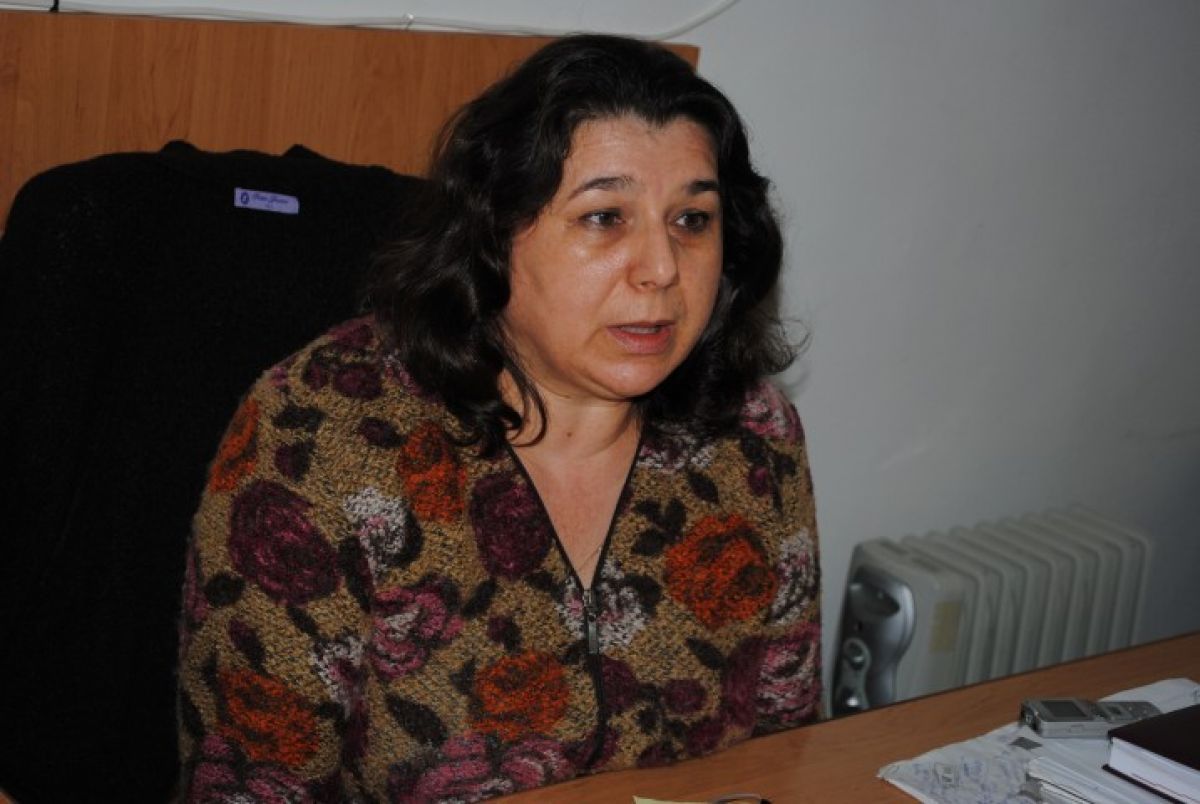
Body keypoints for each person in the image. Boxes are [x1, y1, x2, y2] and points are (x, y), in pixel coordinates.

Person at [177, 33, 820, 802]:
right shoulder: (320, 437)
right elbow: (252, 788)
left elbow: (789, 749)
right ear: (494, 231)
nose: (661, 269)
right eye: (605, 217)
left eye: (692, 219)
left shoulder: (750, 436)